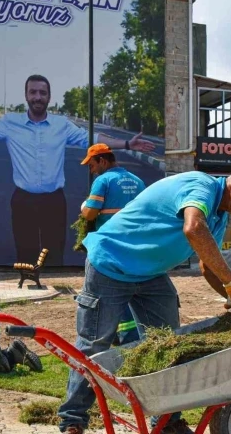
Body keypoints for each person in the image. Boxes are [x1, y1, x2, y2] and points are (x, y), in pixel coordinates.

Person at [58, 163, 231, 434]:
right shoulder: (202, 186)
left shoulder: (220, 216)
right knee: (94, 344)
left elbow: (207, 265)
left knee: (169, 344)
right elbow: (193, 228)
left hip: (150, 274)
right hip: (111, 263)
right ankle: (73, 420)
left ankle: (167, 424)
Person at [0, 75, 155, 265]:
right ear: (26, 96)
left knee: (55, 251)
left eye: (42, 93)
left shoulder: (60, 125)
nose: (37, 97)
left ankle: (55, 288)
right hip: (23, 200)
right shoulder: (10, 123)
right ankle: (29, 285)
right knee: (24, 250)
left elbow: (91, 139)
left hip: (55, 201)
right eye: (33, 92)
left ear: (49, 97)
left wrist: (126, 144)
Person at [80, 143, 146, 345]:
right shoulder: (138, 181)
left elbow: (90, 213)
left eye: (92, 165)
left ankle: (110, 338)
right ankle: (131, 338)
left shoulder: (103, 180)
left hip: (109, 248)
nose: (91, 170)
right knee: (131, 290)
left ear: (102, 160)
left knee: (103, 295)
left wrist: (84, 207)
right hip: (134, 246)